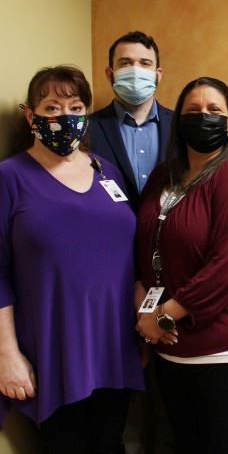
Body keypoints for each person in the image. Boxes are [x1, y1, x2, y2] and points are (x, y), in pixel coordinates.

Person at [0, 66, 144, 452]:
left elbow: (129, 256)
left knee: (111, 443)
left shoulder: (107, 172)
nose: (65, 116)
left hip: (113, 347)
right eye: (52, 107)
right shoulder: (10, 178)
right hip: (54, 350)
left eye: (76, 106)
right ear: (30, 115)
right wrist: (7, 355)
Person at [135, 77, 228, 454]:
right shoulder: (164, 176)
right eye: (193, 111)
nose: (204, 117)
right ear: (178, 121)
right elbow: (143, 252)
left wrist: (163, 318)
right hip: (170, 348)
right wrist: (147, 313)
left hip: (225, 351)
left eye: (215, 111)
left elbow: (224, 268)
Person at [89, 30, 173, 209]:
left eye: (145, 63)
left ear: (158, 74)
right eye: (125, 63)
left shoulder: (180, 125)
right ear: (109, 73)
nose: (135, 70)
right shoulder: (88, 128)